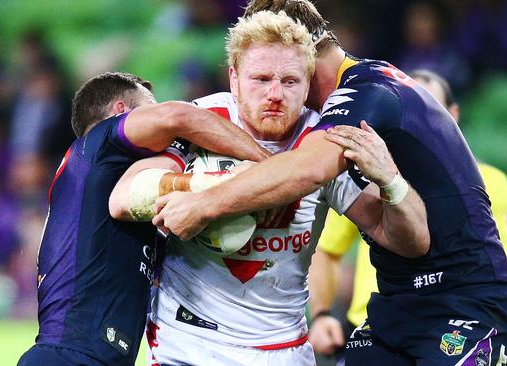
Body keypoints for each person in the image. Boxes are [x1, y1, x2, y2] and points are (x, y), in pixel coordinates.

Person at [153, 1, 507, 365]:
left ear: (304, 54)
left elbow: (308, 170)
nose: (275, 91)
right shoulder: (361, 88)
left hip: (465, 299)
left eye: (282, 69)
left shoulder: (363, 93)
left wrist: (205, 203)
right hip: (399, 302)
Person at [111, 11, 427, 365]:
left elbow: (411, 241)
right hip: (188, 343)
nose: (275, 94)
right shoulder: (202, 120)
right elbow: (124, 196)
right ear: (234, 78)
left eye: (290, 82)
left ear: (308, 83)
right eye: (260, 79)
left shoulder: (324, 143)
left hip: (282, 349)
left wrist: (391, 182)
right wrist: (207, 188)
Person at [17, 72, 268, 366]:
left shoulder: (97, 186)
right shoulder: (99, 144)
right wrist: (270, 167)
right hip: (71, 357)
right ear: (121, 113)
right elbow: (177, 116)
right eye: (150, 108)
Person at [307, 68, 507, 358]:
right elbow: (326, 251)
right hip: (374, 320)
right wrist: (322, 312)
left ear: (453, 115)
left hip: (455, 318)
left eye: (428, 111)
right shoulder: (364, 178)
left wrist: (446, 277)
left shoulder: (491, 180)